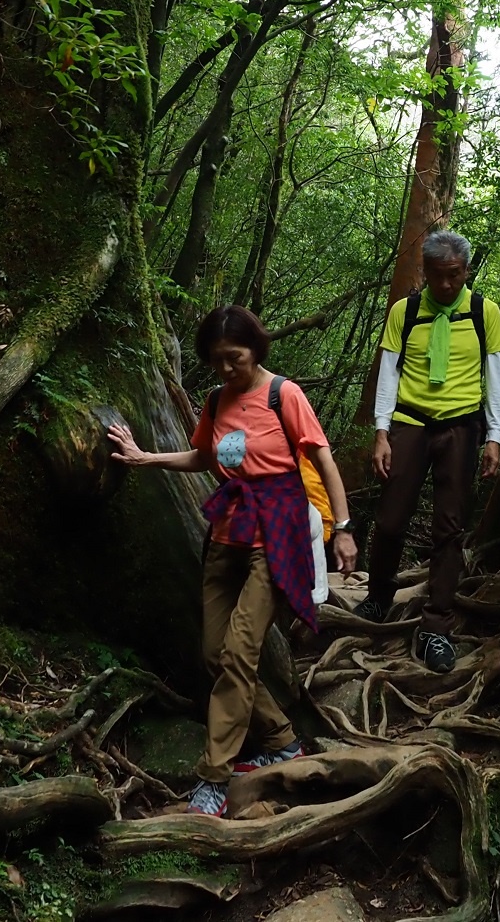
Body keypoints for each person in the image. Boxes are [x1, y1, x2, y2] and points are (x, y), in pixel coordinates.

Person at [105, 304, 357, 818]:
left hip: (277, 532)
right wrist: (145, 456)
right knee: (215, 653)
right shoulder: (216, 400)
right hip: (226, 532)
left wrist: (345, 530)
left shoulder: (282, 394)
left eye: (234, 358)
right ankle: (282, 739)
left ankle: (215, 778)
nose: (225, 369)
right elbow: (202, 457)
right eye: (216, 360)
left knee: (241, 651)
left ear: (256, 349)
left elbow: (323, 458)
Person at [359, 229, 500, 674]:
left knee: (449, 528)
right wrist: (382, 432)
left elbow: (495, 377)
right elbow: (389, 371)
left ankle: (436, 628)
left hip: (461, 426)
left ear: (465, 271)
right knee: (389, 520)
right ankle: (378, 597)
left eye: (455, 276)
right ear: (424, 273)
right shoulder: (405, 313)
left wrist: (495, 436)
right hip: (409, 422)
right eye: (438, 277)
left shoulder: (485, 313)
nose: (447, 285)